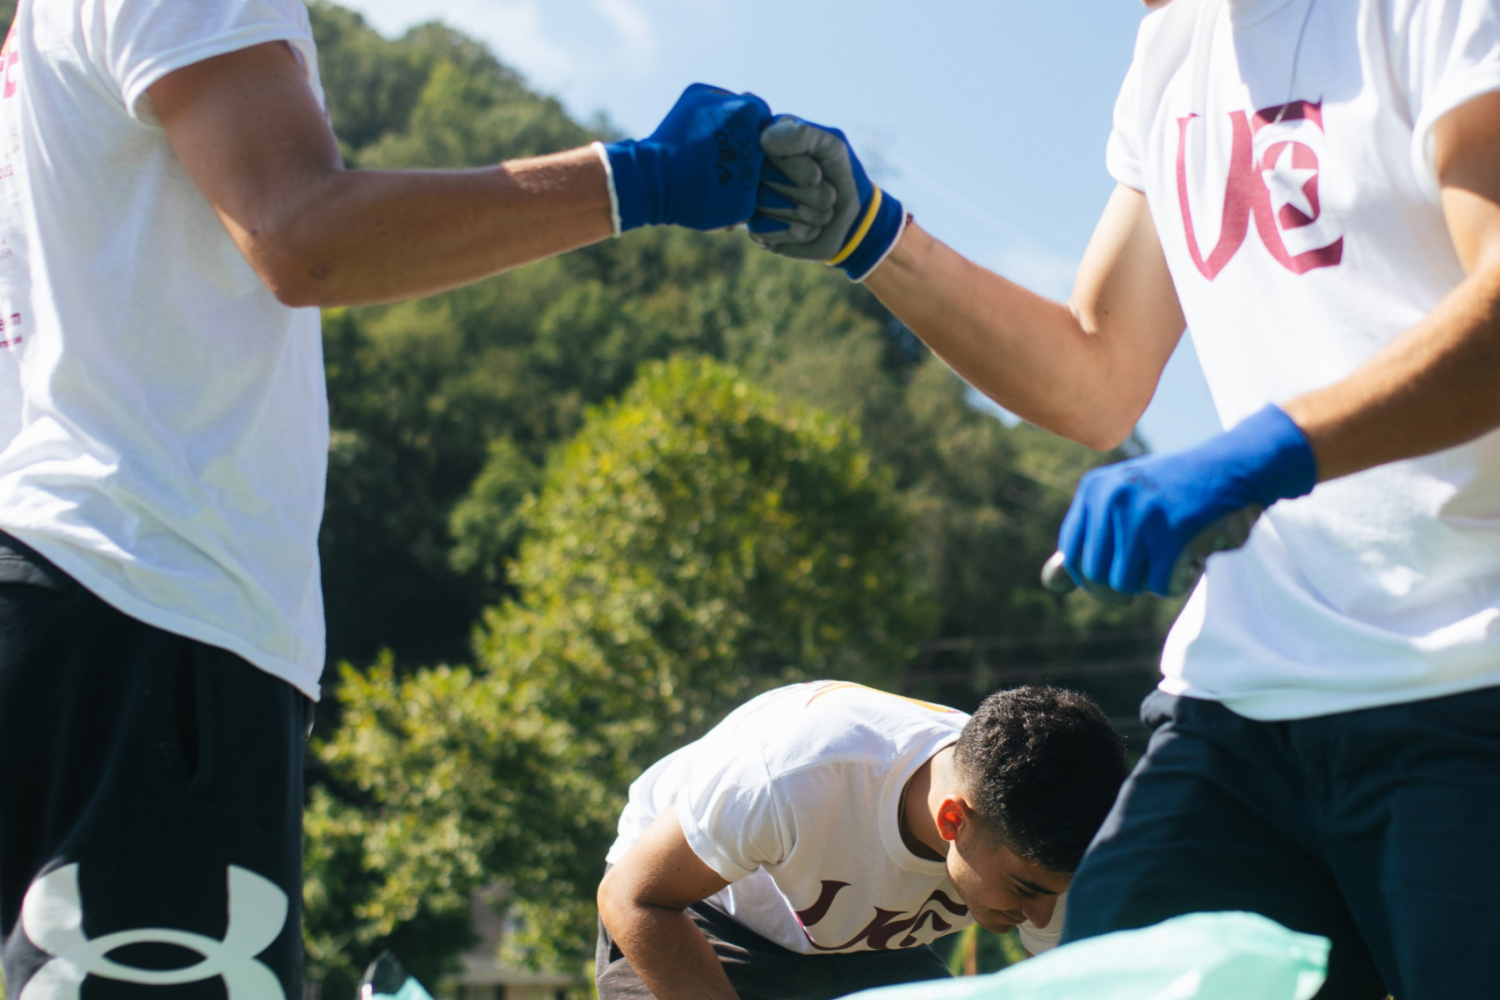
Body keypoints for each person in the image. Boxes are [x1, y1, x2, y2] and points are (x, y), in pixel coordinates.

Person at [0, 1, 787, 996]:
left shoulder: (35, 42)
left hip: (70, 602)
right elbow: (302, 234)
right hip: (149, 603)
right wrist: (641, 179)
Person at [751, 0, 1500, 996]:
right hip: (1245, 692)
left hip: (1469, 675)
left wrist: (1272, 451)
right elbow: (1097, 374)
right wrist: (872, 236)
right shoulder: (1173, 51)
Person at [595, 681, 1129, 1000]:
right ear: (952, 820)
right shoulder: (793, 776)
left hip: (864, 948)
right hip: (702, 915)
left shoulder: (1050, 842)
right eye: (1024, 890)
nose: (1039, 917)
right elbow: (633, 898)